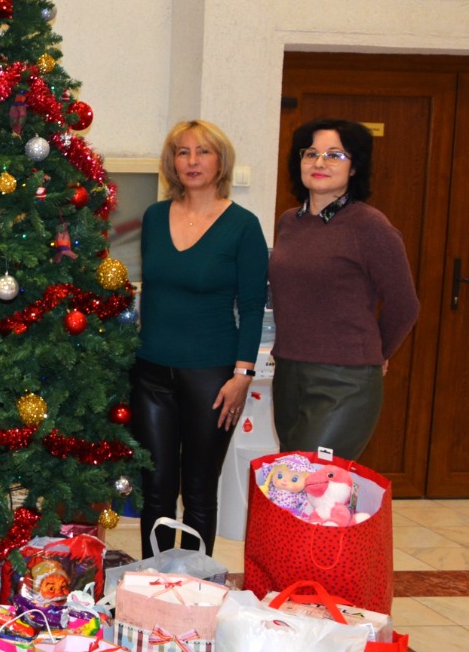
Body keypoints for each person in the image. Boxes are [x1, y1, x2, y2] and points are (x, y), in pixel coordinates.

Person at [129, 120, 267, 558]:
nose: (192, 161)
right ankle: (153, 583)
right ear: (172, 162)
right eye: (182, 152)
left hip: (212, 376)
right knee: (155, 489)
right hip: (151, 372)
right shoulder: (154, 217)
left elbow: (252, 307)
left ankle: (195, 586)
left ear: (220, 162)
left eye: (203, 152)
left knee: (199, 491)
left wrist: (243, 374)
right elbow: (152, 292)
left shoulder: (243, 225)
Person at [268, 120, 418, 459]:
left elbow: (405, 304)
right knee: (291, 477)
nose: (319, 162)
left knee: (313, 479)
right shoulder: (290, 221)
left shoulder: (369, 226)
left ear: (354, 167)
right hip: (289, 372)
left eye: (334, 155)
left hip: (345, 380)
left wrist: (377, 353)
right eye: (311, 154)